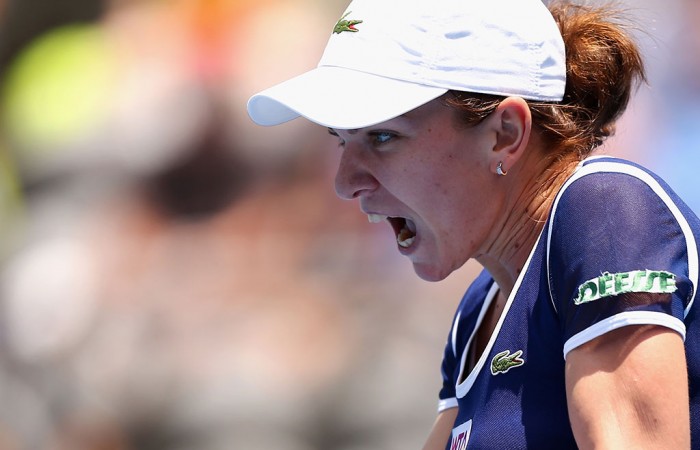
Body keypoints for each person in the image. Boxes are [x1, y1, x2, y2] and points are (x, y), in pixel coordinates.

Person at [246, 0, 699, 448]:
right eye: (341, 141)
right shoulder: (478, 310)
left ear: (505, 134)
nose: (345, 183)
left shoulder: (605, 212)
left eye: (383, 136)